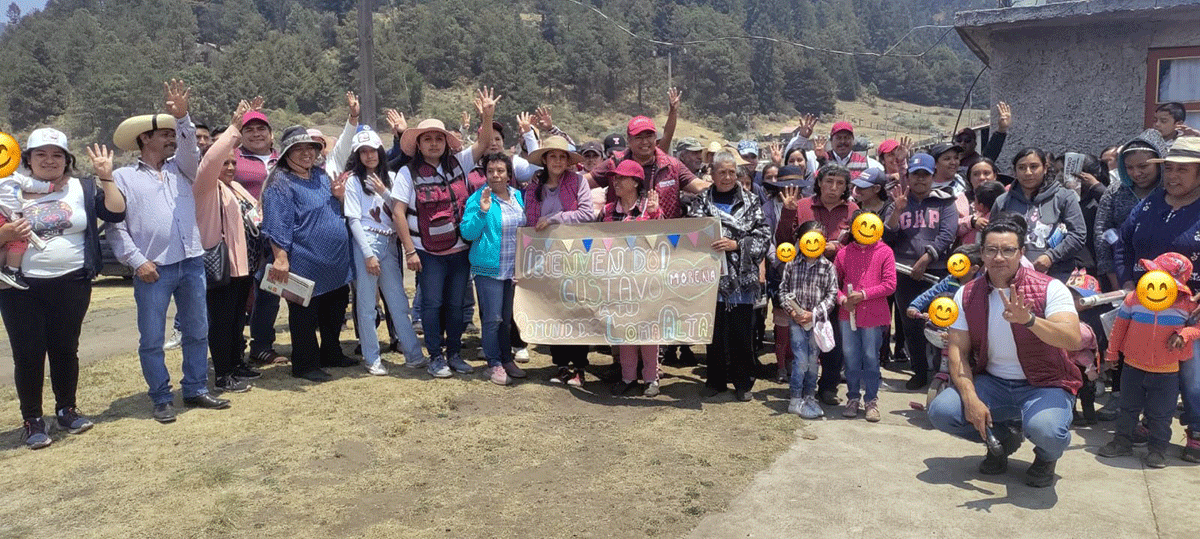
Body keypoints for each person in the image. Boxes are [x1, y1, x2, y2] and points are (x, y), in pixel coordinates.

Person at [927, 216, 1083, 488]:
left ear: (1021, 253)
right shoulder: (967, 293)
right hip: (993, 382)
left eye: (1008, 250)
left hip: (1045, 383)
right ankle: (1001, 438)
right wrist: (971, 399)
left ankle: (1046, 457)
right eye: (991, 250)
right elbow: (957, 350)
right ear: (982, 253)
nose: (999, 257)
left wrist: (1030, 321)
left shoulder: (1050, 287)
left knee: (1047, 431)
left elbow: (1072, 339)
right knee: (942, 411)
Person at [108, 80, 230, 422]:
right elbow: (115, 227)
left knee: (197, 330)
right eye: (164, 134)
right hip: (153, 267)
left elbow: (191, 147)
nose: (171, 138)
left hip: (190, 260)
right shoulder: (122, 177)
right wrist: (136, 261)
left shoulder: (182, 168)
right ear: (145, 139)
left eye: (172, 133)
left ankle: (195, 388)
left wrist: (182, 117)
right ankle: (161, 397)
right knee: (152, 337)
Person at [0, 128, 125, 448]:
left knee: (65, 349)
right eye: (40, 154)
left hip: (72, 282)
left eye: (57, 155)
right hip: (19, 286)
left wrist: (106, 176)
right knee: (28, 354)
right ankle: (32, 420)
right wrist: (6, 234)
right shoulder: (7, 187)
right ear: (27, 159)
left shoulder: (82, 187)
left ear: (67, 159)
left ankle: (66, 410)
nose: (49, 160)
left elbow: (116, 212)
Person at [392, 88, 499, 378]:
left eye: (438, 138)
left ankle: (454, 353)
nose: (434, 143)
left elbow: (484, 143)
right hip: (427, 253)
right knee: (431, 304)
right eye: (427, 139)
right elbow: (398, 212)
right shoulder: (407, 173)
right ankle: (435, 357)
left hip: (459, 250)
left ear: (446, 142)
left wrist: (487, 117)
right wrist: (410, 251)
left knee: (455, 305)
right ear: (418, 144)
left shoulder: (459, 162)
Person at [1118, 136, 1200, 462]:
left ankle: (1196, 430)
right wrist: (1126, 279)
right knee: (1145, 367)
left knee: (1192, 375)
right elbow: (1123, 241)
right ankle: (1150, 423)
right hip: (1144, 303)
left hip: (1191, 309)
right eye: (1170, 169)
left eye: (1183, 170)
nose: (1173, 176)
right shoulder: (1151, 203)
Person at [261, 126, 354, 383]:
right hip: (304, 260)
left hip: (334, 262)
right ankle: (305, 364)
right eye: (298, 149)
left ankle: (331, 353)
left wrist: (339, 196)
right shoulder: (280, 184)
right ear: (287, 154)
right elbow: (277, 223)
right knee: (305, 314)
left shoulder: (321, 176)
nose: (306, 153)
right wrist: (280, 258)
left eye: (310, 148)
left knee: (335, 308)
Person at [1099, 252, 1199, 468]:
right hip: (1133, 367)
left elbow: (1197, 327)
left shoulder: (1186, 304)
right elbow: (1119, 327)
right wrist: (1112, 353)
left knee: (1161, 415)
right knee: (1127, 408)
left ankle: (1157, 450)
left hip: (1167, 371)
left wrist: (1184, 334)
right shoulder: (1135, 298)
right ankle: (1122, 442)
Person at [193, 99, 265, 393]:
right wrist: (234, 127)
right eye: (226, 163)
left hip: (243, 265)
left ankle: (236, 363)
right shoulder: (205, 186)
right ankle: (222, 374)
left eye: (234, 162)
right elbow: (211, 159)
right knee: (221, 322)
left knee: (237, 320)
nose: (231, 167)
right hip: (222, 265)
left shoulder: (235, 187)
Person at [343, 127, 426, 376]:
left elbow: (399, 210)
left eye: (373, 150)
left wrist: (384, 192)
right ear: (358, 156)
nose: (369, 156)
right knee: (367, 304)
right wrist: (368, 254)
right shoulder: (353, 181)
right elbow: (354, 219)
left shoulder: (391, 176)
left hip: (390, 242)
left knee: (398, 300)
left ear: (380, 151)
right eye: (363, 152)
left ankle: (413, 354)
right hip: (366, 241)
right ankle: (372, 357)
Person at [688, 152, 770, 402]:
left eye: (731, 172)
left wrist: (736, 244)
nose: (727, 177)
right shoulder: (701, 201)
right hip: (711, 276)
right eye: (722, 172)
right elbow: (692, 233)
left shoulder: (751, 201)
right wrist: (712, 242)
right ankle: (715, 381)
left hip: (741, 280)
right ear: (712, 174)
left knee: (741, 334)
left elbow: (763, 235)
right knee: (714, 333)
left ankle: (743, 383)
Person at [777, 164, 857, 404]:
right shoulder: (802, 206)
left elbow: (859, 244)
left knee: (833, 338)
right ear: (819, 182)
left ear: (846, 187)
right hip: (803, 282)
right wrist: (788, 213)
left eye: (840, 183)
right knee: (802, 341)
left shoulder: (853, 210)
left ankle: (828, 387)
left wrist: (837, 247)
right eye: (829, 181)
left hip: (837, 282)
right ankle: (801, 386)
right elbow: (783, 241)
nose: (833, 187)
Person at [522, 135, 595, 386]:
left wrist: (555, 218)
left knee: (577, 309)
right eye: (552, 156)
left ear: (568, 161)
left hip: (575, 255)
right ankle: (561, 365)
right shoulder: (534, 187)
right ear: (544, 160)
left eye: (562, 156)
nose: (557, 161)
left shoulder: (578, 182)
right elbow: (529, 221)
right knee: (553, 309)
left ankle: (580, 366)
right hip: (546, 258)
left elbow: (587, 213)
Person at [884, 153, 958, 390]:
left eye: (925, 175)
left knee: (939, 321)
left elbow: (948, 234)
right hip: (904, 271)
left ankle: (940, 371)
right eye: (915, 174)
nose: (920, 179)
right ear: (908, 176)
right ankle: (918, 372)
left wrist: (926, 258)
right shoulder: (897, 201)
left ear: (933, 175)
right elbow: (887, 237)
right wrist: (897, 212)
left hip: (936, 272)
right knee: (911, 323)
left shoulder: (945, 201)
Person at [460, 153, 527, 386]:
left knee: (507, 319)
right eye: (490, 171)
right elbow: (467, 233)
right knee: (492, 319)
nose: (495, 175)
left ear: (509, 174)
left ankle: (507, 359)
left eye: (500, 171)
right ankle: (493, 362)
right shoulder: (478, 198)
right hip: (489, 268)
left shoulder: (518, 196)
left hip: (513, 268)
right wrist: (482, 211)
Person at [601, 160, 664, 396]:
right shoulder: (608, 211)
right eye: (615, 178)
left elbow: (664, 238)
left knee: (648, 330)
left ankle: (651, 378)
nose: (616, 182)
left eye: (622, 178)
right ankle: (628, 377)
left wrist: (655, 214)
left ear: (636, 182)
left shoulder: (650, 208)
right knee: (624, 329)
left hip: (646, 281)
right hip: (618, 280)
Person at [834, 211, 897, 422]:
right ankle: (852, 397)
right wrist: (843, 300)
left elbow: (890, 284)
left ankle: (871, 400)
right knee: (850, 356)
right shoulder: (843, 254)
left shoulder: (885, 252)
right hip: (848, 314)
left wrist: (864, 294)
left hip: (874, 315)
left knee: (871, 357)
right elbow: (833, 285)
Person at [586, 116, 708, 219]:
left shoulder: (672, 166)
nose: (645, 142)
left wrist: (718, 182)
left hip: (666, 236)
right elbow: (582, 182)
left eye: (649, 136)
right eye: (638, 137)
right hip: (620, 235)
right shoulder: (615, 163)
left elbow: (699, 186)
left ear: (655, 138)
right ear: (629, 140)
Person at [991, 147, 1086, 281]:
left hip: (1057, 276)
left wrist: (1051, 256)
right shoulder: (1002, 202)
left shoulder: (1064, 197)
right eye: (1021, 168)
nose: (1028, 172)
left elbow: (1078, 234)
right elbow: (991, 237)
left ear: (1045, 168)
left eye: (1034, 167)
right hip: (1013, 277)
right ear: (1015, 171)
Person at [779, 220, 838, 418]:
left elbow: (832, 295)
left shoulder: (828, 267)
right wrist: (793, 312)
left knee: (813, 360)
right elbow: (783, 290)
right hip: (796, 322)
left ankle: (810, 396)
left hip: (817, 322)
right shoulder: (791, 265)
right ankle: (795, 398)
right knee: (801, 360)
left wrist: (814, 314)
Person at [1095, 130, 1168, 291]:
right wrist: (1115, 278)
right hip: (1119, 274)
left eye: (1143, 166)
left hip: (1163, 277)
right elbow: (1101, 232)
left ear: (1160, 164)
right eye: (1129, 167)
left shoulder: (1170, 192)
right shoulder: (1116, 191)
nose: (1136, 173)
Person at [0, 165, 53, 289]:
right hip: (5, 214)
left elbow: (31, 184)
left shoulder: (16, 177)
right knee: (19, 240)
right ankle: (11, 271)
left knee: (11, 242)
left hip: (12, 214)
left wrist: (50, 187)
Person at [956, 101, 1011, 174]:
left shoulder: (978, 161)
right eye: (959, 140)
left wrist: (1001, 129)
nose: (962, 143)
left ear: (975, 144)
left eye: (967, 140)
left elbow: (991, 152)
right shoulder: (950, 161)